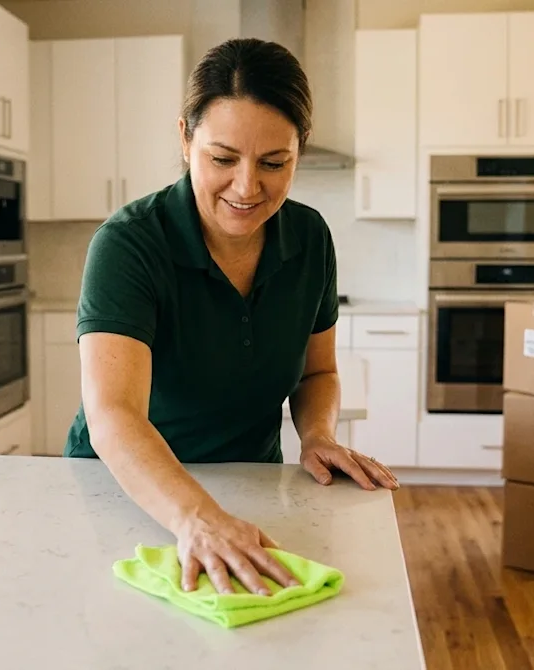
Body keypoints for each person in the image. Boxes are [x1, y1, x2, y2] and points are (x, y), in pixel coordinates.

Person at [62, 38, 398, 598]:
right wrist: (194, 516)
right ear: (185, 138)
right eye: (222, 159)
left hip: (252, 486)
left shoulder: (310, 238)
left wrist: (316, 435)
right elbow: (114, 415)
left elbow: (318, 373)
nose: (247, 187)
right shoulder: (128, 244)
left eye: (274, 163)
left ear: (300, 152)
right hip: (126, 492)